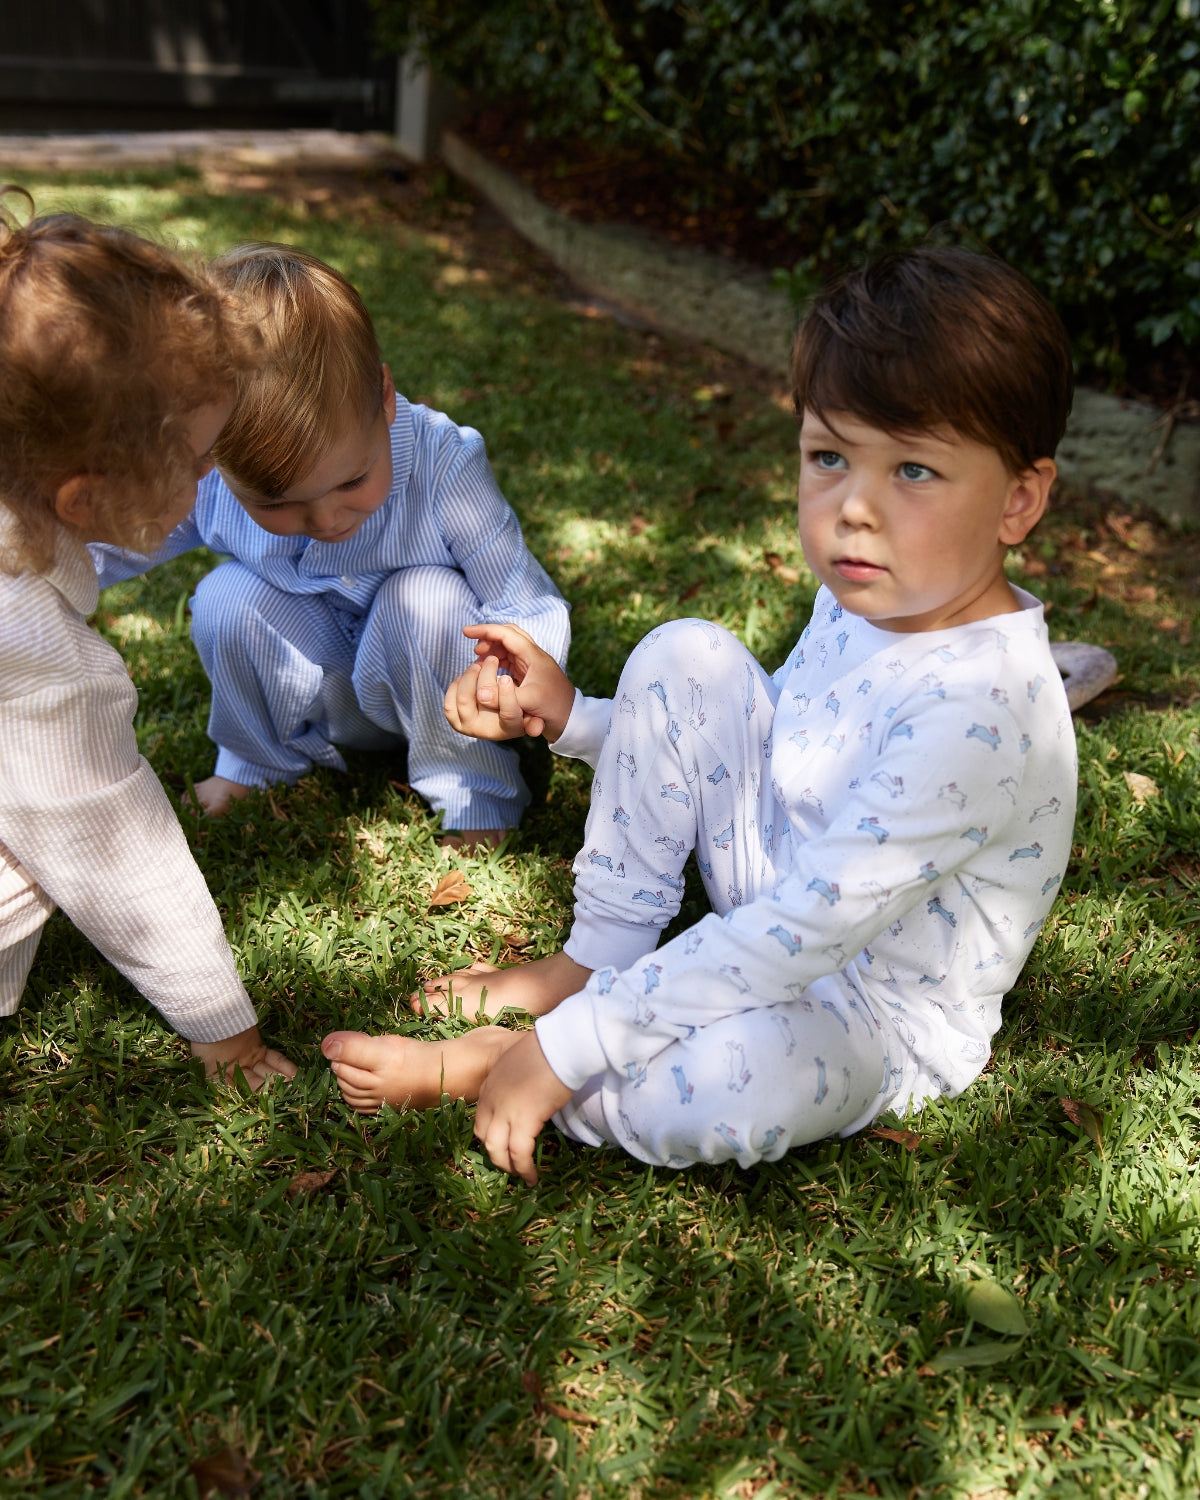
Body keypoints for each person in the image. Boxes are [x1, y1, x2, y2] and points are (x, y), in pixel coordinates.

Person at [322, 244, 1079, 1182]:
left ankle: (510, 1058)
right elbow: (769, 751)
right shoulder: (874, 593)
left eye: (915, 471)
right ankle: (592, 963)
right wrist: (577, 720)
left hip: (870, 1013)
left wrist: (568, 1051)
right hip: (775, 884)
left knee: (729, 1086)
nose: (856, 509)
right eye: (830, 457)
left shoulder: (979, 712)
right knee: (687, 650)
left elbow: (811, 929)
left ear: (1019, 500)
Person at [90, 244, 570, 849]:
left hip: (439, 694)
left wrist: (506, 684)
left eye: (351, 481)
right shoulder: (207, 477)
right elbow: (113, 542)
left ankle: (474, 795)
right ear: (210, 451)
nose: (325, 517)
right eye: (275, 502)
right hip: (322, 686)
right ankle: (255, 763)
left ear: (384, 398)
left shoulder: (444, 464)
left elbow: (525, 602)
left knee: (425, 596)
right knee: (225, 597)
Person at [0, 197, 295, 1089]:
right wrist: (226, 1032)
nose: (215, 475)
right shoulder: (43, 660)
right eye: (200, 462)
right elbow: (116, 850)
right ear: (86, 499)